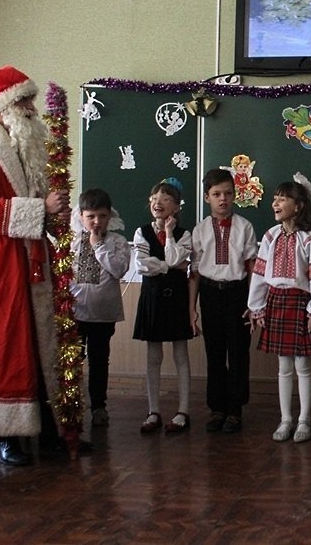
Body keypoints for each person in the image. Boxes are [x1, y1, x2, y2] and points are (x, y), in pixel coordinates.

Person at [0, 65, 71, 466]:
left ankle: (50, 427)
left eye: (32, 100)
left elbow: (42, 204)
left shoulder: (30, 146)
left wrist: (55, 214)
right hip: (3, 259)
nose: (32, 108)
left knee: (42, 341)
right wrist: (40, 209)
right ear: (4, 106)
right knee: (7, 341)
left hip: (35, 253)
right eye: (24, 101)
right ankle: (6, 434)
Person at [248, 175, 311, 444]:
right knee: (283, 366)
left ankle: (304, 419)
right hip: (275, 302)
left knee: (302, 365)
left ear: (298, 206)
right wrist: (257, 307)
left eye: (282, 199)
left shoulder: (310, 238)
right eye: (274, 199)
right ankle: (286, 419)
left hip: (300, 304)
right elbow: (259, 274)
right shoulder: (270, 236)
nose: (275, 203)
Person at [189, 169, 258, 434]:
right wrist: (192, 308)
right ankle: (217, 408)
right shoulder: (200, 229)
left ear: (235, 195)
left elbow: (251, 267)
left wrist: (252, 303)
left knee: (238, 352)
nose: (223, 199)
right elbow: (195, 272)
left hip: (237, 293)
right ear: (207, 197)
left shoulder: (245, 227)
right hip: (210, 294)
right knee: (214, 351)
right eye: (217, 194)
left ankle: (235, 409)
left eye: (228, 193)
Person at [132, 178, 196, 434]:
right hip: (152, 297)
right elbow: (141, 265)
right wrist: (169, 266)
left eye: (166, 199)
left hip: (177, 297)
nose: (158, 203)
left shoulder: (184, 234)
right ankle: (153, 411)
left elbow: (173, 256)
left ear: (176, 207)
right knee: (153, 356)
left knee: (181, 354)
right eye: (154, 199)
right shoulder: (141, 232)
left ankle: (183, 411)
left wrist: (169, 235)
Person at [70, 188, 130, 429]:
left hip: (103, 315)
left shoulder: (117, 242)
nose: (96, 222)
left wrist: (98, 246)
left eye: (102, 216)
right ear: (81, 216)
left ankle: (98, 406)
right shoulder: (72, 241)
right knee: (73, 361)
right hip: (74, 313)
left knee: (99, 360)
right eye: (91, 216)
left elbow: (119, 270)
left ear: (110, 216)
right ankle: (71, 407)